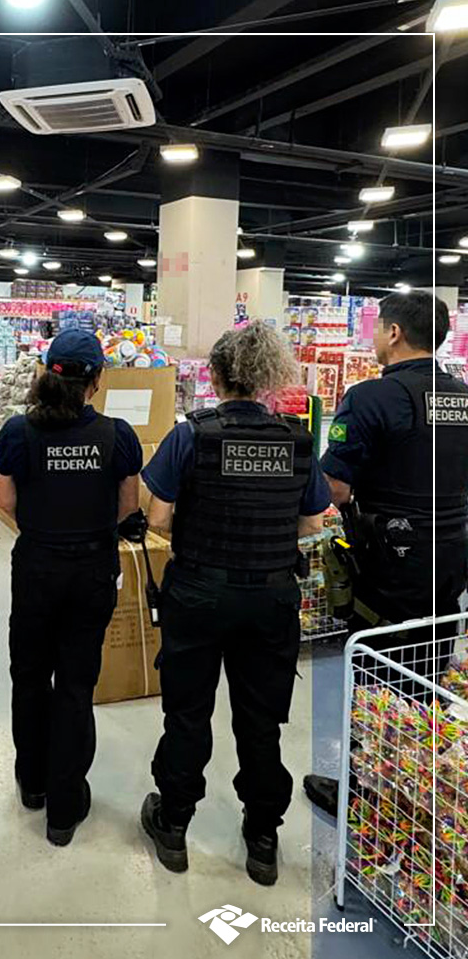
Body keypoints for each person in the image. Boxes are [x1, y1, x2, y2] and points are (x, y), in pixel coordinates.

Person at [140, 320, 330, 886]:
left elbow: (157, 518)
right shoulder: (296, 440)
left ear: (216, 375)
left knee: (187, 712)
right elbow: (313, 523)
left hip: (198, 592)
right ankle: (263, 838)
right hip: (270, 597)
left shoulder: (191, 436)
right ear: (268, 377)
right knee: (261, 719)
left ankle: (174, 823)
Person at [304, 291, 468, 817]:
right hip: (453, 553)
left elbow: (334, 486)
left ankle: (367, 792)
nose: (373, 337)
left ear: (394, 333)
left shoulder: (371, 397)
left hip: (391, 556)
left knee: (378, 669)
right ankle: (423, 784)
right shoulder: (462, 396)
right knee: (429, 663)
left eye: (377, 328)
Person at [0, 330, 142, 847]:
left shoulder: (18, 431)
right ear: (96, 380)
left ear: (46, 372)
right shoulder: (117, 435)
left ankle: (32, 781)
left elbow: (5, 501)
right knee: (76, 683)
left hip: (36, 565)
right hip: (92, 570)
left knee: (29, 675)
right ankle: (64, 806)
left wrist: (43, 529)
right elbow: (129, 505)